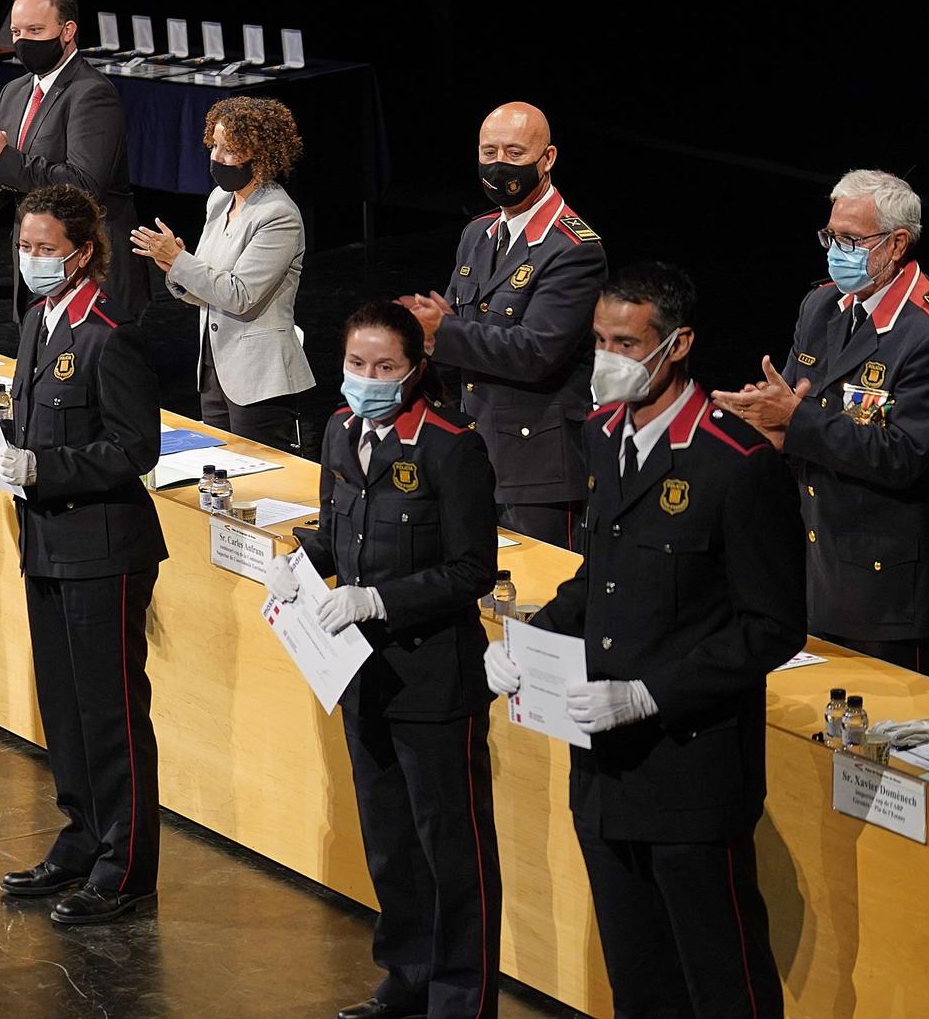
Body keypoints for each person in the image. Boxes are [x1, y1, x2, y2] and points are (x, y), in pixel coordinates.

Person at [489, 262, 805, 1019]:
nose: (607, 357)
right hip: (602, 772)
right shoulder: (603, 434)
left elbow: (772, 628)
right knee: (639, 982)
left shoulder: (739, 466)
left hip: (691, 772)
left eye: (626, 342)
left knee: (722, 981)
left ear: (679, 344)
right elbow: (600, 576)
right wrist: (527, 640)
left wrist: (646, 695)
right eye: (598, 339)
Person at [265, 301, 498, 1019]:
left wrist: (376, 601)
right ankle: (407, 977)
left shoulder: (450, 446)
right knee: (392, 844)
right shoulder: (339, 432)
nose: (367, 379)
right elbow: (340, 534)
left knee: (450, 851)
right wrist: (299, 557)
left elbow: (471, 571)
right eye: (356, 365)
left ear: (414, 370)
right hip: (362, 674)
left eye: (384, 368)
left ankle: (461, 1000)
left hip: (434, 677)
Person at [0, 185, 164, 924]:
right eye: (25, 247)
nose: (32, 260)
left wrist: (45, 469)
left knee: (111, 713)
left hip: (105, 546)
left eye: (45, 249)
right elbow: (32, 420)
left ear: (83, 252)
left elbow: (136, 448)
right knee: (64, 709)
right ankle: (82, 837)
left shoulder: (110, 331)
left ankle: (124, 866)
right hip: (48, 542)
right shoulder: (39, 320)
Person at [713, 169, 929, 678]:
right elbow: (791, 404)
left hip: (883, 583)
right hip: (809, 558)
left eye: (852, 240)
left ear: (896, 243)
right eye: (832, 236)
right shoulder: (821, 306)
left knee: (885, 739)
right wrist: (761, 416)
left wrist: (793, 421)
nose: (837, 250)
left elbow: (902, 456)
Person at [398, 102, 606, 550]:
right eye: (488, 152)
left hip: (538, 467)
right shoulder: (478, 233)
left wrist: (442, 334)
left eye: (513, 153)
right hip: (473, 448)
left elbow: (536, 353)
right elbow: (457, 337)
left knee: (539, 604)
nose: (498, 166)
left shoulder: (574, 249)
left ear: (546, 159)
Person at [131, 97, 315, 450]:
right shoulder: (219, 199)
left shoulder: (279, 215)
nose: (216, 157)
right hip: (215, 367)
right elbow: (209, 283)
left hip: (260, 376)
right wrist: (175, 266)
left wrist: (183, 263)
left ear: (261, 157)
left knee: (259, 477)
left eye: (229, 150)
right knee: (219, 467)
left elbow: (240, 295)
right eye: (214, 145)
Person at [0, 0, 148, 320]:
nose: (23, 41)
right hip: (34, 267)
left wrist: (4, 160)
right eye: (16, 32)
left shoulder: (91, 94)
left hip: (90, 269)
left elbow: (85, 184)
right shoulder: (13, 93)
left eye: (35, 29)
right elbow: (0, 192)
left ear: (67, 30)